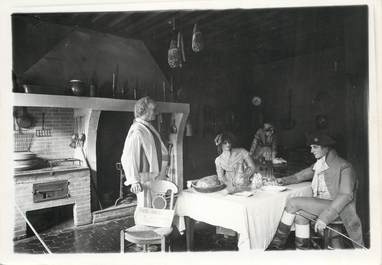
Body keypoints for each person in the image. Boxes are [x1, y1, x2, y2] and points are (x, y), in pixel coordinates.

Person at [268, 132, 364, 250]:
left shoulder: (344, 166)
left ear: (326, 148)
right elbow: (300, 176)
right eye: (311, 147)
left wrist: (325, 217)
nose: (311, 150)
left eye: (315, 147)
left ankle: (276, 246)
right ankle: (302, 253)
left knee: (293, 202)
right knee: (300, 216)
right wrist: (283, 180)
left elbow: (346, 196)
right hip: (325, 205)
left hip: (340, 210)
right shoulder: (320, 163)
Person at [121, 96, 169, 207]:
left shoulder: (146, 127)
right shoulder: (137, 130)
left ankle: (154, 223)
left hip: (154, 175)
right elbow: (129, 156)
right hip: (145, 177)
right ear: (144, 110)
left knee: (156, 205)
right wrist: (134, 180)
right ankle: (145, 224)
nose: (155, 113)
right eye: (152, 109)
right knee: (146, 206)